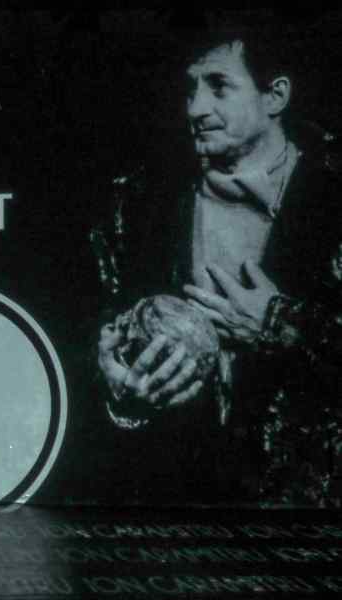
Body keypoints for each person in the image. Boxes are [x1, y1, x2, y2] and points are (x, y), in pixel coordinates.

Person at [92, 27, 342, 507]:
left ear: (275, 96)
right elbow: (100, 336)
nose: (195, 109)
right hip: (180, 508)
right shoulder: (138, 204)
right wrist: (120, 392)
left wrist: (281, 324)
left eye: (219, 87)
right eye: (191, 90)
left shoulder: (334, 197)